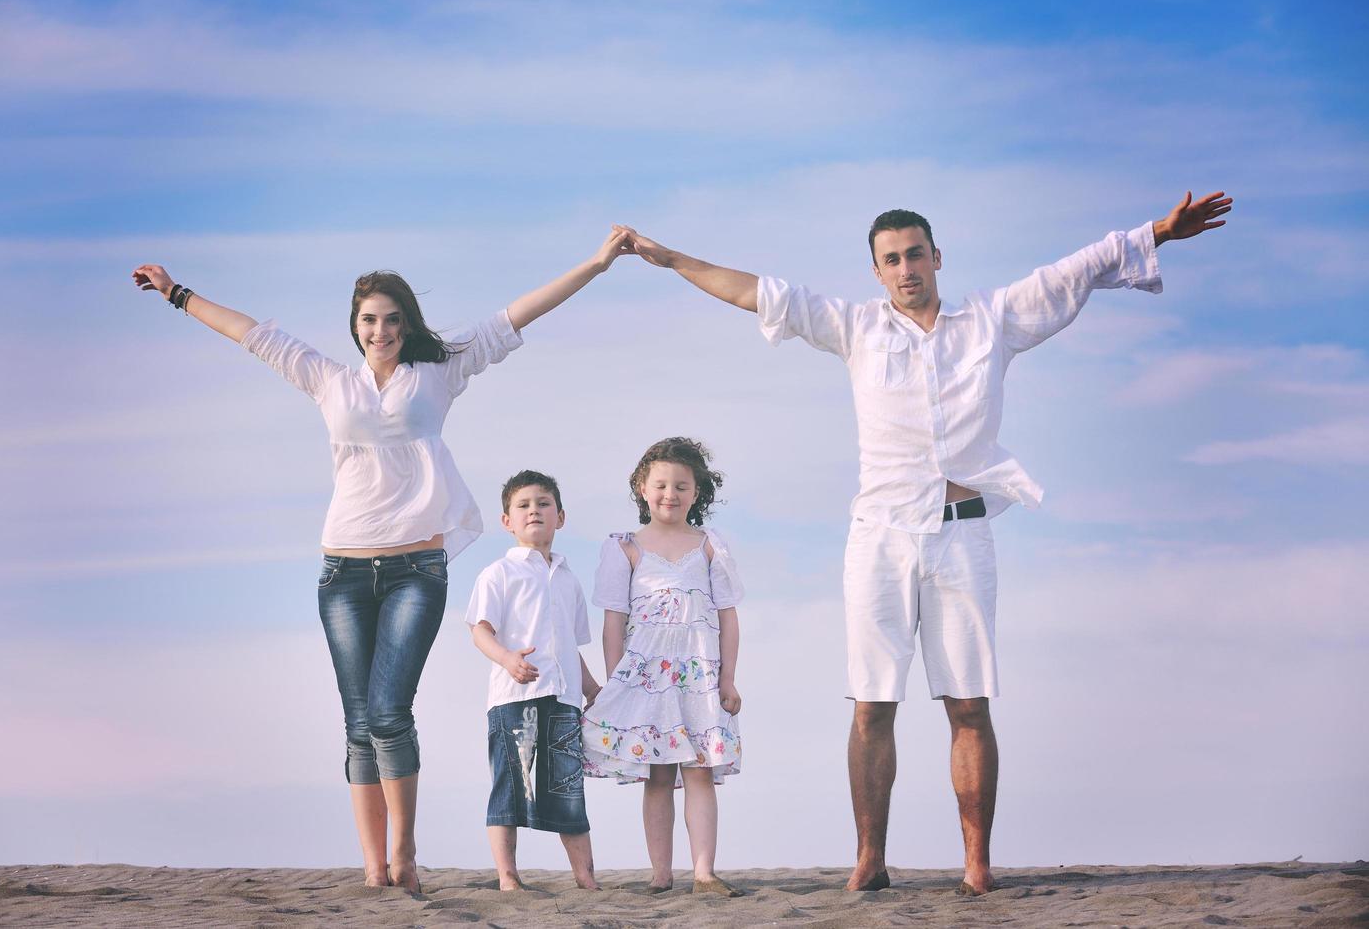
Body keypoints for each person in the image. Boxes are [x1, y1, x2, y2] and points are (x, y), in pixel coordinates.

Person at [615, 191, 1232, 894]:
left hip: (962, 537)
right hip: (878, 537)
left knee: (970, 703)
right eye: (890, 260)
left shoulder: (990, 321)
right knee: (873, 703)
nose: (905, 268)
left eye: (914, 255)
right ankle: (870, 860)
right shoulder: (854, 327)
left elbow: (1074, 271)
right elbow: (756, 292)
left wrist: (1158, 232)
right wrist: (669, 260)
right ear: (876, 272)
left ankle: (976, 865)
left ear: (936, 259)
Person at [129, 227, 633, 890]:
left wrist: (596, 266)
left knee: (390, 711)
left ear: (407, 324)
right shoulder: (327, 380)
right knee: (358, 722)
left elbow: (518, 312)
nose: (381, 330)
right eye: (370, 320)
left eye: (392, 319)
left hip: (416, 571)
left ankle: (405, 855)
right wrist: (176, 293)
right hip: (341, 570)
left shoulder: (440, 370)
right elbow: (250, 333)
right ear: (355, 326)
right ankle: (373, 864)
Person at [582, 437, 745, 896]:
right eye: (660, 485)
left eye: (681, 486)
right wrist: (617, 685)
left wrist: (728, 678)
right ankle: (661, 873)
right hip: (645, 680)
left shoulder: (711, 545)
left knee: (698, 769)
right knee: (656, 774)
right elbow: (614, 623)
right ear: (641, 487)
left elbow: (728, 616)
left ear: (697, 493)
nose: (670, 494)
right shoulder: (626, 547)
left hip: (700, 679)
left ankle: (704, 872)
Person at [466, 470, 602, 891]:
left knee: (567, 789)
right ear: (507, 520)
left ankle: (586, 880)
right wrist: (507, 658)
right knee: (510, 786)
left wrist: (592, 688)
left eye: (543, 504)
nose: (534, 511)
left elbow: (568, 646)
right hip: (515, 698)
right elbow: (479, 629)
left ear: (560, 517)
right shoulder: (498, 574)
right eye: (523, 505)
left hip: (563, 700)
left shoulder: (568, 578)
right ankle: (508, 878)